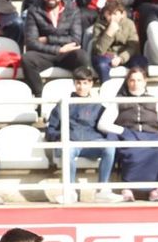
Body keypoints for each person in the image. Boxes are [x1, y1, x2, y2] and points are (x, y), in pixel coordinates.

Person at [43, 66, 120, 202]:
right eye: (78, 82)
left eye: (85, 83)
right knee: (67, 150)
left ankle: (102, 190)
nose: (81, 86)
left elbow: (106, 127)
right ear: (74, 83)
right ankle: (70, 191)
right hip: (71, 143)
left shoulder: (98, 106)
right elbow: (51, 130)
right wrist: (60, 137)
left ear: (91, 84)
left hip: (93, 142)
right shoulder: (63, 104)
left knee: (110, 147)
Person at [110, 64, 158, 201]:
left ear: (145, 81)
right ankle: (127, 187)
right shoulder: (119, 100)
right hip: (130, 135)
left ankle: (154, 189)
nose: (135, 84)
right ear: (128, 82)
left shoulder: (154, 99)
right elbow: (103, 123)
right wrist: (123, 131)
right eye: (132, 80)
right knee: (132, 149)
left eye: (139, 80)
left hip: (151, 134)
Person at [19, 0, 86, 92]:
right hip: (45, 54)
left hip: (67, 54)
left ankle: (81, 95)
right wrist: (58, 49)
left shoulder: (73, 10)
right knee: (27, 59)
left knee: (82, 56)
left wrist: (47, 39)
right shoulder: (34, 10)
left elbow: (75, 39)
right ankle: (39, 97)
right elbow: (31, 41)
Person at [89, 0, 139, 82]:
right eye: (109, 14)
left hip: (124, 55)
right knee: (101, 65)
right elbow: (99, 50)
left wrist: (121, 58)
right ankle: (107, 89)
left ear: (122, 14)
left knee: (140, 61)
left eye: (115, 14)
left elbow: (133, 47)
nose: (112, 18)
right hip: (106, 56)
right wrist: (109, 33)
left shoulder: (129, 24)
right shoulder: (99, 25)